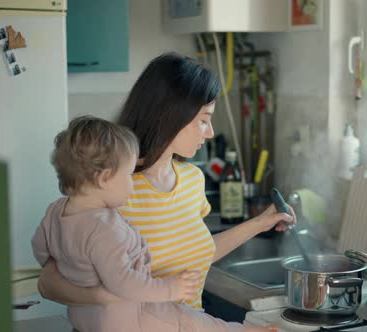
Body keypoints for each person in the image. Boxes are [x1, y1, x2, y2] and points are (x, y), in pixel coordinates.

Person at [37, 53, 294, 322]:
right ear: (171, 116)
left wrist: (259, 224)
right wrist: (113, 295)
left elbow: (193, 252)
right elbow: (48, 283)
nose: (209, 133)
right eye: (204, 120)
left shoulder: (193, 180)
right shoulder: (113, 189)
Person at [32, 116, 274, 331]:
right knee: (187, 320)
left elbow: (41, 249)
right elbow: (123, 283)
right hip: (128, 318)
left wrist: (260, 223)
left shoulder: (56, 211)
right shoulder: (106, 226)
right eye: (128, 174)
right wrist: (171, 289)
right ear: (105, 178)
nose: (132, 180)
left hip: (84, 319)